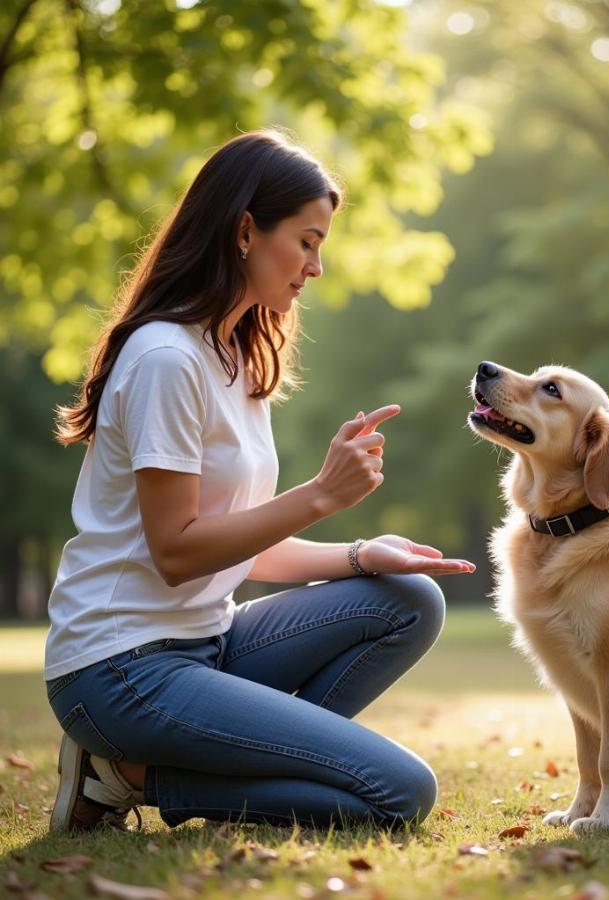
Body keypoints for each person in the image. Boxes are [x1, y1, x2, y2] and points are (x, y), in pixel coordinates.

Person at [45, 128, 476, 834]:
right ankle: (125, 777)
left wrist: (362, 553)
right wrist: (319, 495)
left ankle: (231, 769)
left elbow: (238, 545)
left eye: (321, 245)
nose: (316, 266)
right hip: (121, 668)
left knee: (410, 599)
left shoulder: (237, 359)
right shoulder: (165, 360)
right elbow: (178, 552)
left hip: (207, 643)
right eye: (306, 241)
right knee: (400, 793)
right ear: (246, 231)